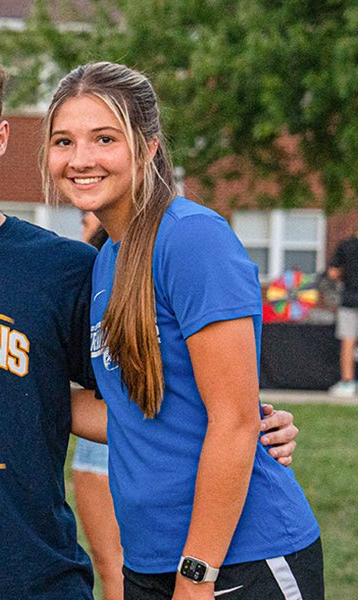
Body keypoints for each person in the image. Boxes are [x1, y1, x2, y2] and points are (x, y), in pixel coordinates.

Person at [0, 43, 301, 600]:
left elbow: (155, 396)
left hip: (43, 579)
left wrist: (247, 424)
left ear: (2, 137)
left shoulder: (74, 269)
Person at [49, 61, 322, 600]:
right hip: (150, 559)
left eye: (104, 139)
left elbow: (235, 422)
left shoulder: (192, 239)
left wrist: (197, 574)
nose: (80, 159)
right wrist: (1, 388)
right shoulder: (108, 260)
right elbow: (134, 413)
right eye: (64, 141)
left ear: (149, 146)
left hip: (237, 560)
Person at [73, 209, 123, 600]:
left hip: (134, 439)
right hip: (100, 431)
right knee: (116, 567)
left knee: (118, 568)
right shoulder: (92, 273)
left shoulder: (158, 262)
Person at [327, 227, 358, 396]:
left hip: (350, 298)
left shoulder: (347, 245)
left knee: (348, 340)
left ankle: (347, 382)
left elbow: (332, 273)